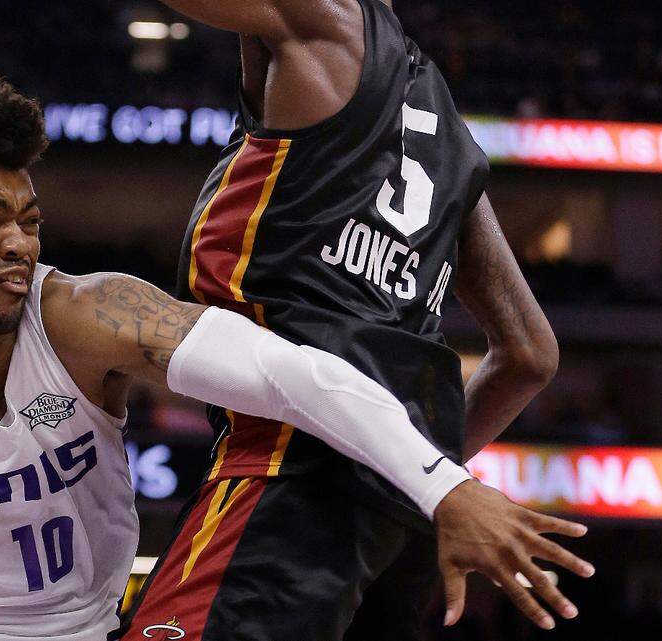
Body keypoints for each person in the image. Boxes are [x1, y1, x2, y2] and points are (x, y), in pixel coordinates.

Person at [0, 67, 592, 641]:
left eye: (29, 219)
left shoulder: (83, 315)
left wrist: (447, 484)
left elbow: (291, 373)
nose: (19, 245)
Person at [120, 1, 574, 639]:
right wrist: (409, 468)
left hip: (289, 466)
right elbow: (531, 356)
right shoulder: (454, 142)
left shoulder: (329, 21)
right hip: (404, 507)